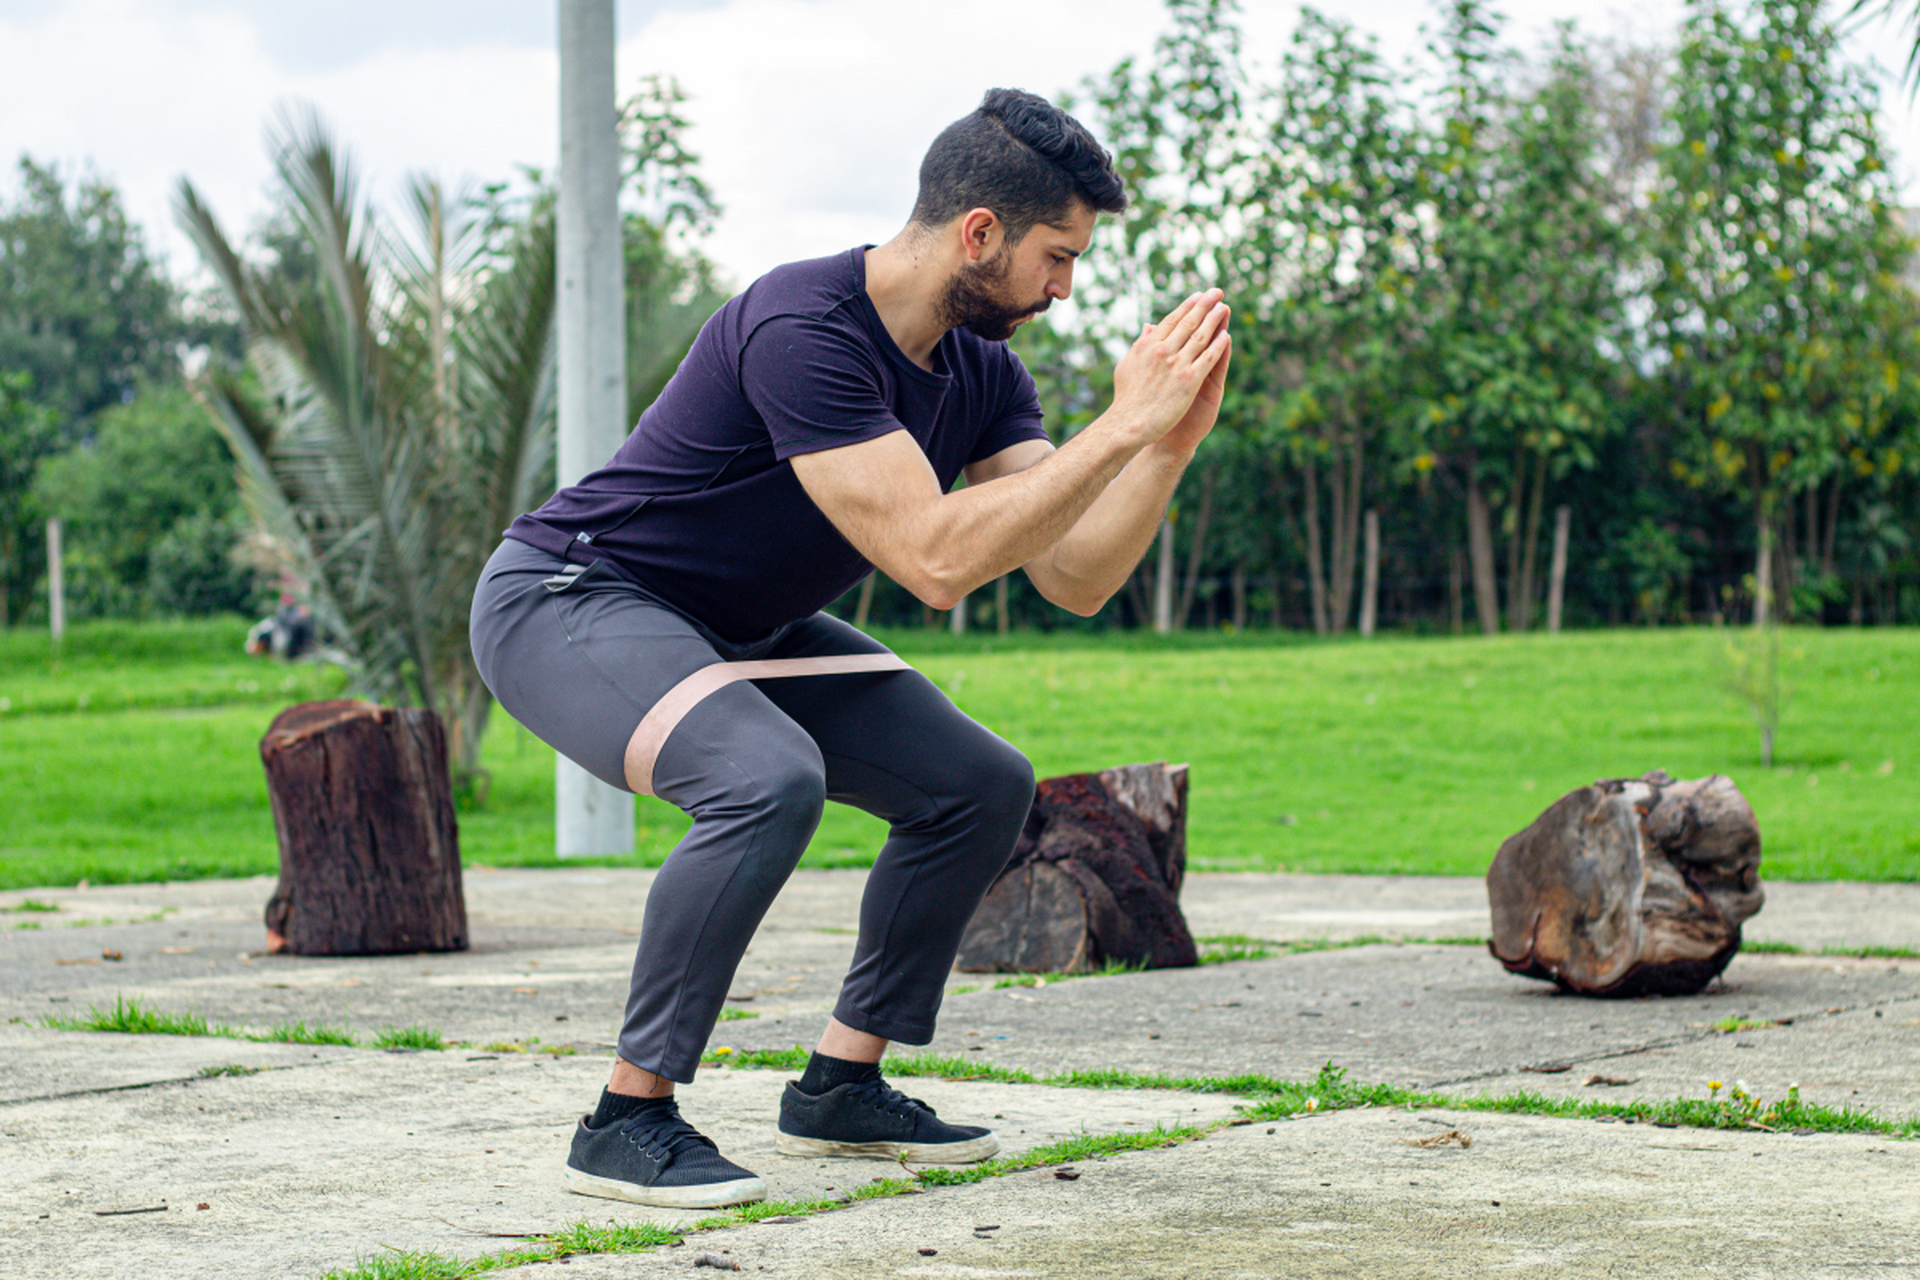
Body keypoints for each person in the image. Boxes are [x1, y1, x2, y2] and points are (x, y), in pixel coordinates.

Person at [469, 87, 1230, 1210]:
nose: (1064, 291)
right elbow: (931, 558)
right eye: (1056, 258)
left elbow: (1072, 576)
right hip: (573, 596)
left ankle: (843, 1079)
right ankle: (627, 1117)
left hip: (739, 631)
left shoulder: (980, 372)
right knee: (763, 778)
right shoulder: (804, 325)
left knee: (977, 782)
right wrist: (1114, 423)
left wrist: (1162, 447)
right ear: (981, 232)